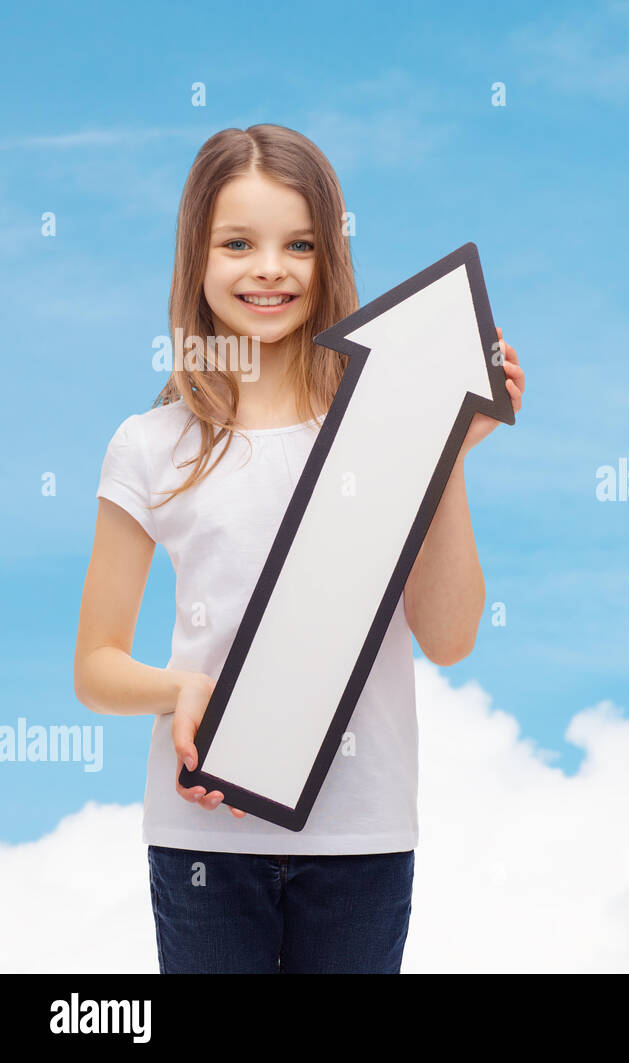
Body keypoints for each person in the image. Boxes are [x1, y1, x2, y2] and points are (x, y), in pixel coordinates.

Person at [72, 124, 524, 973]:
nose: (269, 268)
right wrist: (184, 689)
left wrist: (447, 448)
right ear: (195, 258)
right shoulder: (148, 444)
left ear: (329, 258)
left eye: (299, 244)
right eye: (238, 242)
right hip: (206, 838)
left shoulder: (381, 423)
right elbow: (95, 665)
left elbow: (450, 637)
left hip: (361, 835)